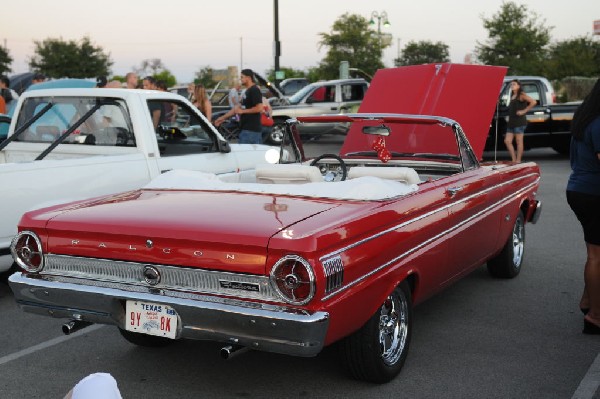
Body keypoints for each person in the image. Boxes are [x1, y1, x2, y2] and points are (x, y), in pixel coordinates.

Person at [566, 78, 600, 335]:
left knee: (594, 252)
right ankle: (596, 316)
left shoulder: (583, 120)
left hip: (578, 189)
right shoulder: (599, 124)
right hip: (593, 193)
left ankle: (587, 302)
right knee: (596, 256)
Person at [215, 69, 263, 144]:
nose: (241, 79)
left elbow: (259, 108)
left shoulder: (254, 90)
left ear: (249, 78)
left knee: (247, 153)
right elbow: (236, 108)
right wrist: (222, 118)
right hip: (245, 129)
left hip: (251, 130)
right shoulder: (247, 91)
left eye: (242, 77)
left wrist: (243, 111)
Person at [504, 79, 536, 163]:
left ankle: (518, 160)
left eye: (514, 84)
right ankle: (514, 159)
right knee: (507, 141)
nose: (512, 86)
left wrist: (524, 111)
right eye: (511, 85)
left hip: (519, 122)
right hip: (511, 122)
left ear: (518, 86)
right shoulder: (512, 95)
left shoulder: (521, 95)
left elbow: (533, 102)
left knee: (518, 141)